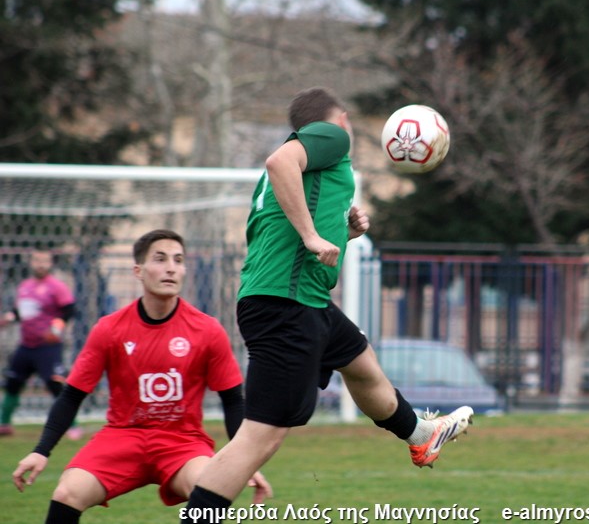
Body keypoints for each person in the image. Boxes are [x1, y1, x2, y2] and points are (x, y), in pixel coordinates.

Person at [182, 87, 474, 521]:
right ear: (339, 119)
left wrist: (340, 231)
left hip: (301, 300)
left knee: (361, 363)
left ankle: (421, 434)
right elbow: (279, 163)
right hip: (286, 304)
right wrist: (312, 235)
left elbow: (279, 223)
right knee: (261, 437)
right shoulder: (331, 137)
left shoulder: (311, 163)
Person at [12, 229, 271, 524]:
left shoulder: (207, 329)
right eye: (160, 259)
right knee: (67, 493)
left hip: (182, 442)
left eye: (178, 260)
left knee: (209, 488)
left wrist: (241, 464)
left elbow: (233, 401)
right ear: (139, 270)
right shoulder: (109, 329)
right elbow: (72, 395)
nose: (171, 268)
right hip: (122, 436)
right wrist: (41, 451)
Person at [0, 249, 80, 438]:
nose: (41, 264)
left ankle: (72, 425)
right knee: (13, 383)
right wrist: (8, 318)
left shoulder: (56, 287)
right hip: (26, 345)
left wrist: (56, 329)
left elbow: (69, 311)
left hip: (47, 347)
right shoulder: (25, 286)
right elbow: (20, 312)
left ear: (51, 263)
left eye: (45, 261)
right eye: (37, 260)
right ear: (31, 262)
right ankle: (4, 423)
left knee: (55, 385)